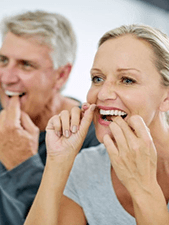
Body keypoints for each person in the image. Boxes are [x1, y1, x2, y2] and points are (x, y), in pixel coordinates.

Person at [24, 24, 169, 225]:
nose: (102, 94)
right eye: (98, 78)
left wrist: (142, 188)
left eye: (127, 80)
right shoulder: (86, 167)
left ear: (166, 97)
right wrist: (57, 164)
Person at [0, 10, 99, 225]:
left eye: (26, 65)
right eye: (3, 60)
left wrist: (22, 166)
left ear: (61, 75)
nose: (6, 77)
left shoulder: (92, 138)